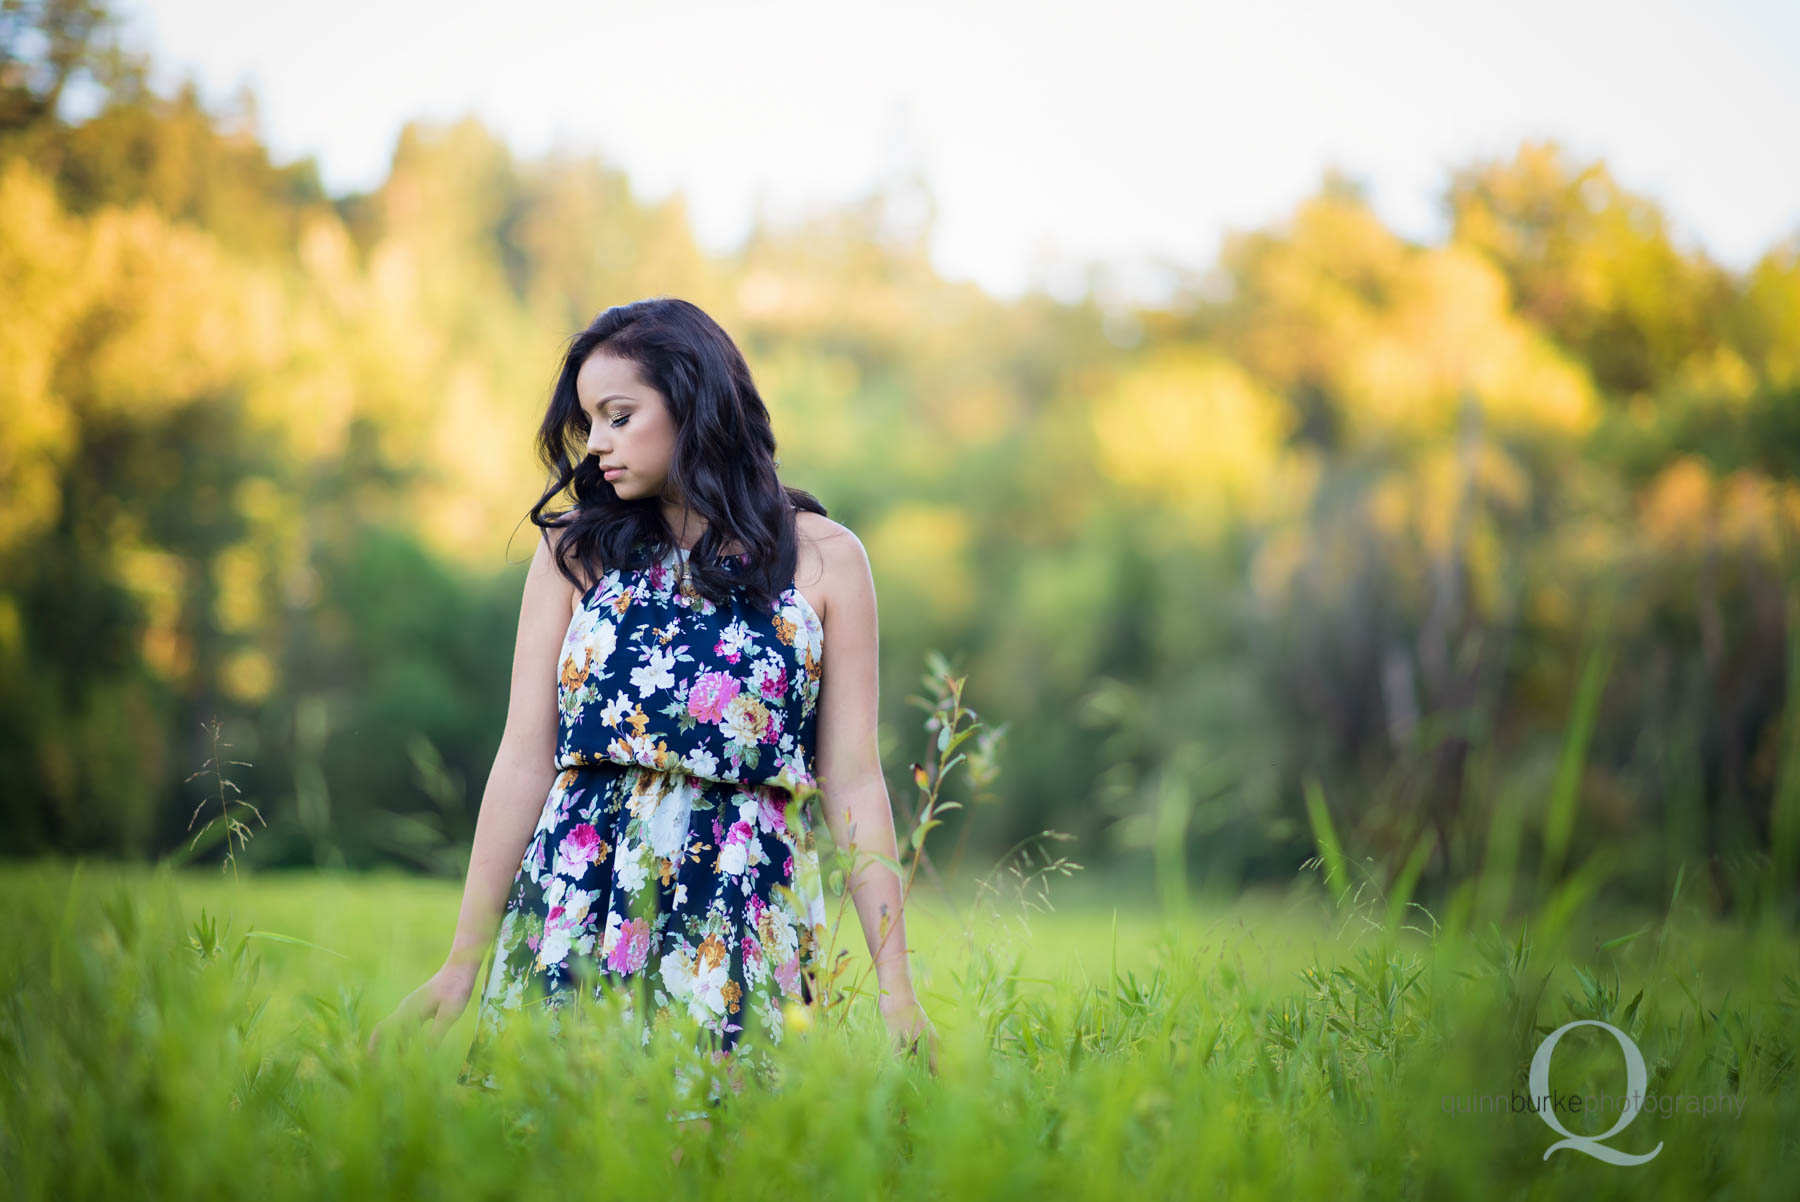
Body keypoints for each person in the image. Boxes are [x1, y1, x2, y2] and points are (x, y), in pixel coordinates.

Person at [367, 297, 938, 1117]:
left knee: (729, 1155)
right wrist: (464, 959)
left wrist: (895, 989)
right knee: (566, 1152)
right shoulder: (574, 554)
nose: (595, 444)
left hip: (742, 914)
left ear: (694, 404)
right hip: (578, 907)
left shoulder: (825, 561)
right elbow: (526, 759)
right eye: (589, 420)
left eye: (619, 416)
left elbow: (852, 781)